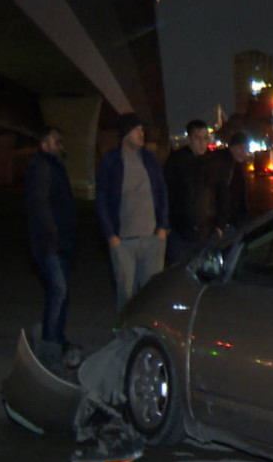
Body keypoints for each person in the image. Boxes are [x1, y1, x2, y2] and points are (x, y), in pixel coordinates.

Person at [96, 112, 169, 311]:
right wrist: (111, 236)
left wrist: (162, 228)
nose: (141, 134)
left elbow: (162, 192)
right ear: (126, 134)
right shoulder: (112, 161)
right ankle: (126, 338)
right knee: (126, 296)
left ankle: (146, 338)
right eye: (137, 130)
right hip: (124, 242)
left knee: (150, 296)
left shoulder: (149, 159)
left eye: (142, 130)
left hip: (152, 239)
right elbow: (101, 199)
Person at [25, 125, 78, 373]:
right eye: (57, 142)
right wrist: (55, 235)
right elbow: (41, 206)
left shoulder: (54, 166)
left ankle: (55, 339)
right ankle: (49, 346)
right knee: (59, 289)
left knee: (61, 293)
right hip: (50, 245)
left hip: (60, 243)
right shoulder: (41, 168)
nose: (61, 146)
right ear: (44, 145)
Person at [163, 118, 218, 264]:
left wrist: (220, 224)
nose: (202, 143)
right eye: (198, 138)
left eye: (205, 138)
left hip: (208, 232)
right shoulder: (176, 162)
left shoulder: (212, 162)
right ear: (189, 139)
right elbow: (165, 194)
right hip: (181, 233)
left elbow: (220, 192)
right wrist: (167, 225)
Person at [213, 131, 251, 234]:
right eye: (240, 148)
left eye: (245, 149)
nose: (243, 152)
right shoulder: (223, 164)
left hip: (234, 221)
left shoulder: (239, 165)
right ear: (232, 148)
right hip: (225, 223)